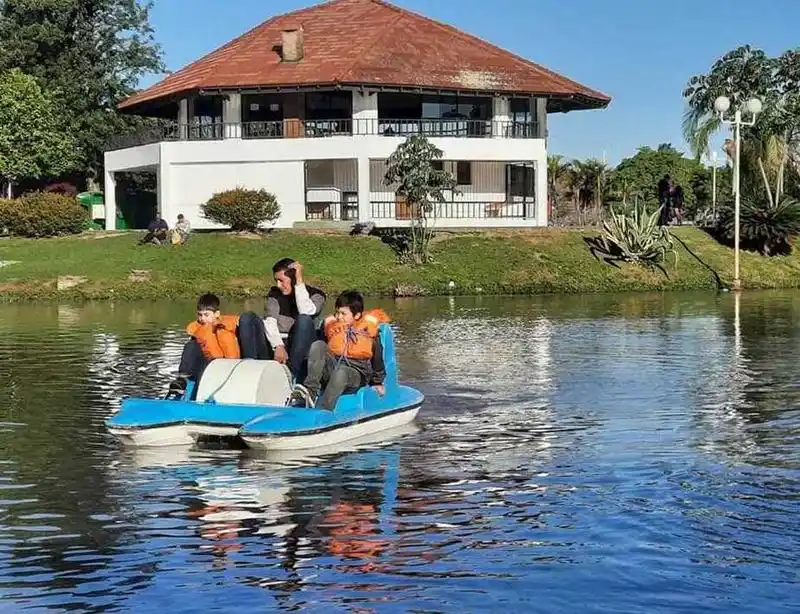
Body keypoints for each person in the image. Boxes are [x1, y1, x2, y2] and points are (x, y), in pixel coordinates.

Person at [289, 290, 388, 410]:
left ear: (356, 315)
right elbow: (320, 355)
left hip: (356, 373)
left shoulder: (368, 331)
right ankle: (310, 392)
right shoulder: (332, 327)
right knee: (318, 345)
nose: (338, 317)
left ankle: (323, 410)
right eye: (337, 312)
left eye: (343, 314)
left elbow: (377, 358)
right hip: (334, 366)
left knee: (341, 372)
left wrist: (377, 382)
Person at [165, 293, 268, 399]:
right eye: (200, 315)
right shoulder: (198, 330)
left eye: (206, 315)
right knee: (191, 345)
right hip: (211, 364)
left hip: (235, 362)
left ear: (216, 314)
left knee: (247, 319)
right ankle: (182, 381)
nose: (202, 319)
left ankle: (250, 367)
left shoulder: (231, 325)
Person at [264, 258, 326, 381]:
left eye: (281, 280)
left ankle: (291, 374)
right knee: (247, 318)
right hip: (279, 343)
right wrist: (278, 346)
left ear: (293, 278)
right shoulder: (274, 294)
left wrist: (299, 283)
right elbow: (270, 321)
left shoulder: (317, 295)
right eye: (276, 281)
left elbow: (305, 312)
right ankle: (251, 369)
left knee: (303, 319)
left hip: (302, 345)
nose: (278, 285)